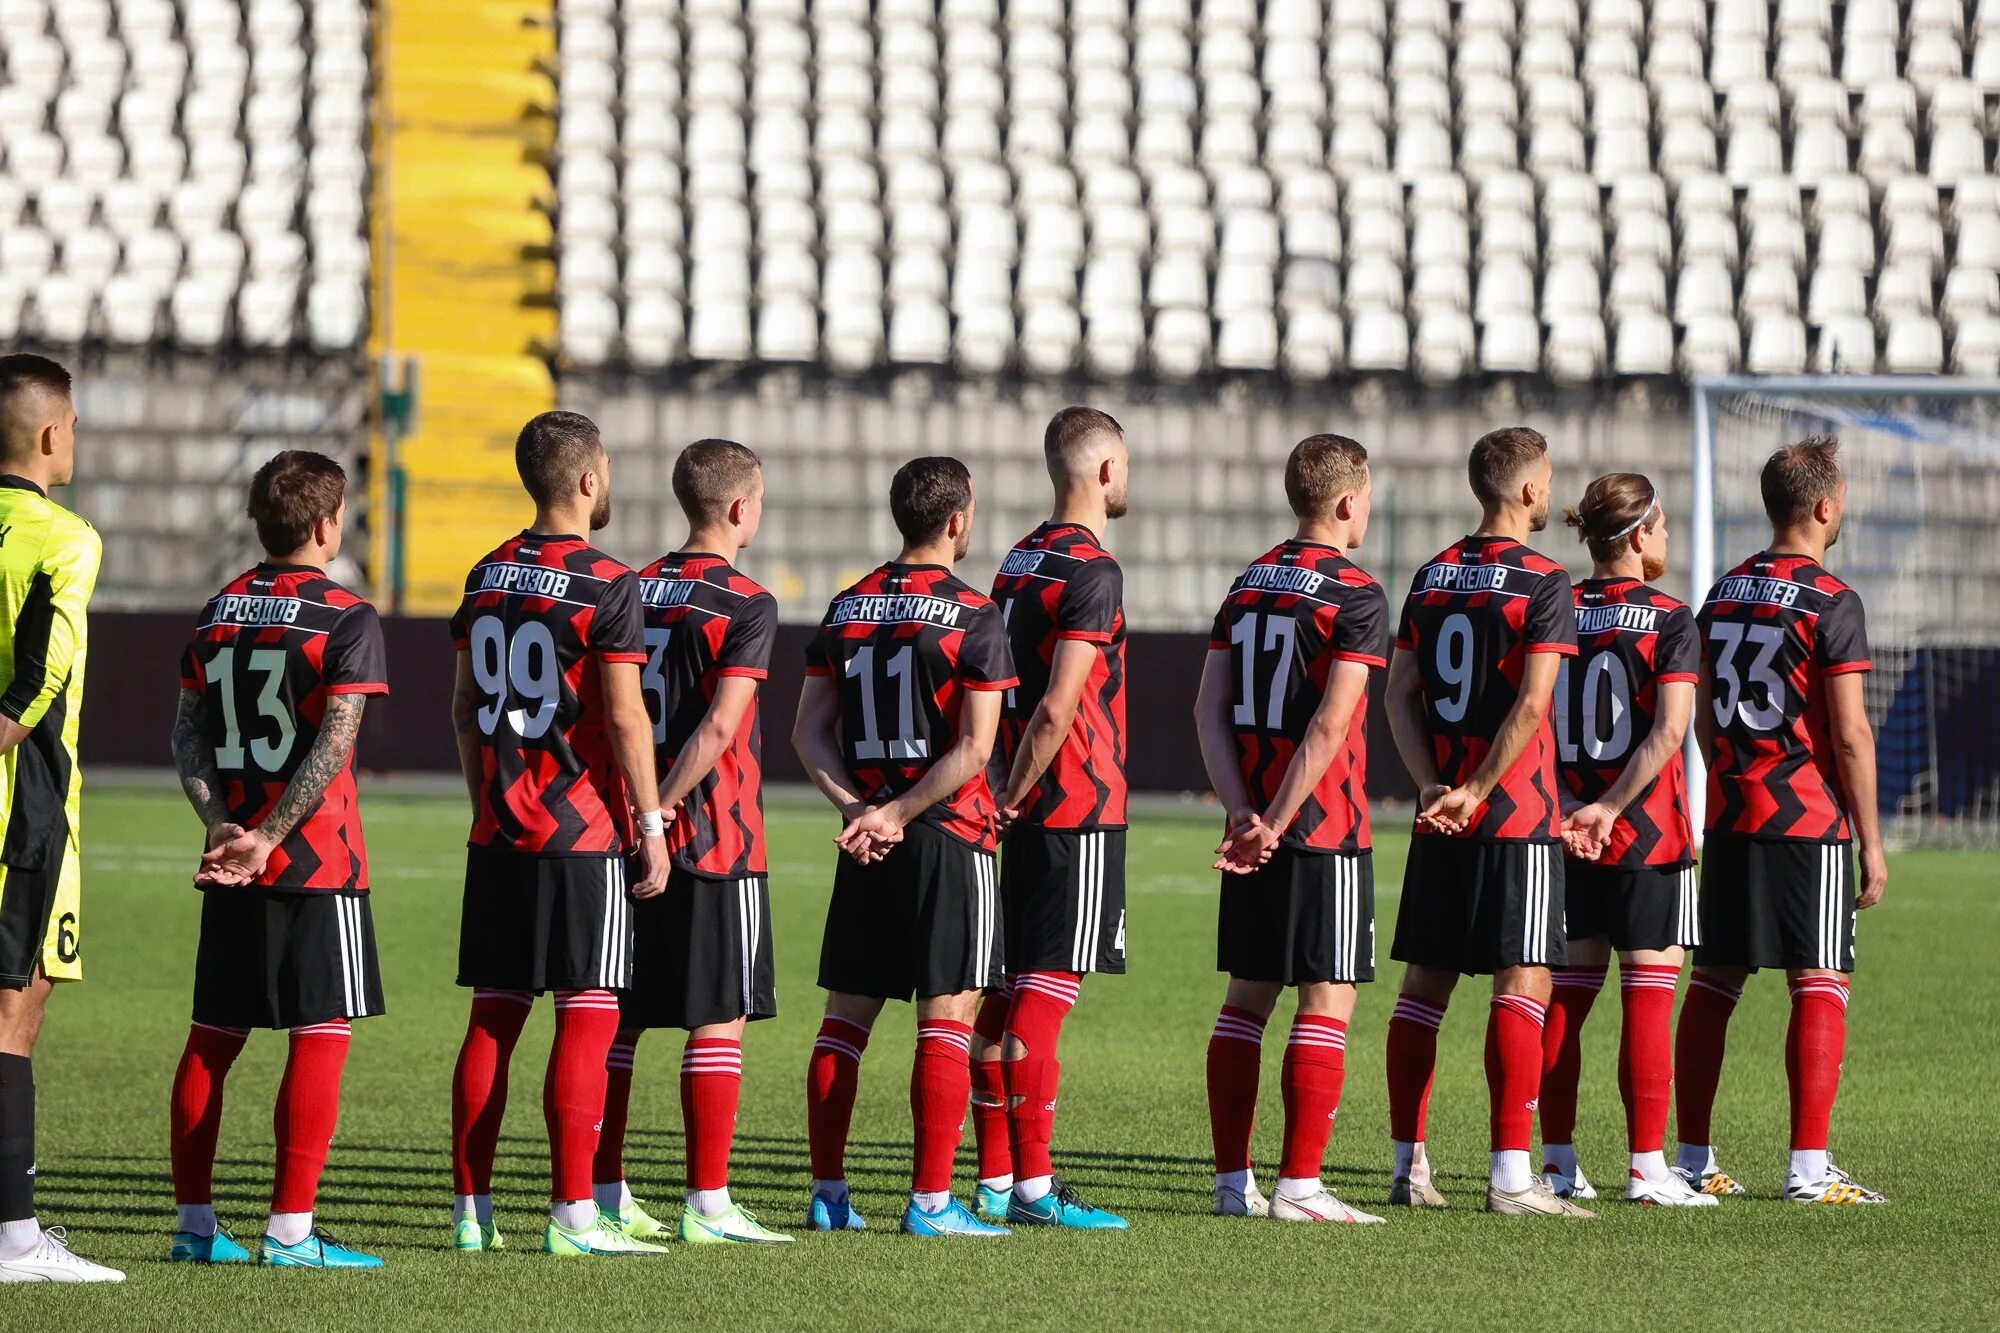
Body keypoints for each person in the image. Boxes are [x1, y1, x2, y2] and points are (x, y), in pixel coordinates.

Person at [446, 411, 671, 1257]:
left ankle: (472, 1211)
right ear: (587, 479)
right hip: (581, 830)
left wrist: (487, 799)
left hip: (501, 829)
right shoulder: (610, 581)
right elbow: (623, 715)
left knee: (494, 1016)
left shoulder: (485, 572)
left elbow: (465, 706)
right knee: (589, 1009)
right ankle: (575, 1215)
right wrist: (650, 823)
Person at [168, 450, 392, 1267]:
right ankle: (291, 1231)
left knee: (212, 1039)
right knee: (320, 1032)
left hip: (230, 860)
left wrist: (224, 824)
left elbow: (185, 734)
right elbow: (335, 744)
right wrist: (270, 835)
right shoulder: (346, 615)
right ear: (329, 525)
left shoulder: (218, 608)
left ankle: (195, 1229)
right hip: (313, 863)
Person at [796, 456, 1017, 1238]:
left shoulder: (847, 604)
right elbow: (975, 749)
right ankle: (930, 1201)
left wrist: (861, 808)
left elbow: (806, 731)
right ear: (958, 519)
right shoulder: (976, 614)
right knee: (946, 1018)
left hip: (866, 842)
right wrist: (897, 811)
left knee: (845, 1020)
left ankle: (829, 1194)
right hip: (946, 836)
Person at [1381, 426, 1592, 1217]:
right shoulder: (1544, 579)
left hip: (1442, 816)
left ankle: (1408, 1165)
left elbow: (1398, 692)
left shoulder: (1433, 574)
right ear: (1531, 490)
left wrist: (1435, 783)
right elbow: (1534, 702)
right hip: (1515, 816)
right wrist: (1477, 789)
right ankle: (1511, 1177)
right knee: (1524, 979)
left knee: (1423, 989)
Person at [1676, 436, 1888, 1205]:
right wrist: (1870, 839)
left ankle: (1692, 1157)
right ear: (1826, 506)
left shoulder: (1723, 593)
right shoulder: (1835, 601)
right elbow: (1853, 734)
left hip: (1731, 813)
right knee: (1820, 980)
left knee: (1714, 982)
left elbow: (1700, 716)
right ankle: (1808, 1167)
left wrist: (1729, 776)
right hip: (1807, 819)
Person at [590, 439, 788, 1246]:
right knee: (720, 1019)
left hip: (624, 833)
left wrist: (638, 813)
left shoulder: (630, 587)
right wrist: (663, 810)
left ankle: (604, 1189)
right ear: (740, 508)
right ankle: (708, 1203)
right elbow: (719, 727)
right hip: (713, 836)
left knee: (622, 1021)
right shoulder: (748, 602)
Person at [1195, 434, 1391, 1225]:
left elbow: (1207, 711)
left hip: (1253, 824)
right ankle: (1301, 1185)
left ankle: (1230, 1181)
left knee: (1246, 1000)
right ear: (1348, 501)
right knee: (1327, 997)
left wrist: (1242, 810)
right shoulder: (1358, 594)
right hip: (1322, 826)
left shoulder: (1247, 584)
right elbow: (1331, 724)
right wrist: (1276, 819)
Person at [971, 406, 1131, 1230]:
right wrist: (1015, 787)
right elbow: (1058, 705)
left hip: (1022, 798)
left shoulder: (1017, 558)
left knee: (1005, 988)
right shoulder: (1094, 571)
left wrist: (999, 781)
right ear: (1106, 471)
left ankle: (998, 1178)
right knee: (1044, 989)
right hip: (1071, 801)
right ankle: (1034, 1185)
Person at [1537, 474, 1714, 1208]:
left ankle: (1555, 1160)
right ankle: (1647, 1167)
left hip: (1567, 832)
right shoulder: (1670, 619)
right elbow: (1670, 730)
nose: (1668, 537)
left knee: (1566, 1001)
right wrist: (1609, 807)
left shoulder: (1557, 608)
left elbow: (1531, 716)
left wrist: (1572, 803)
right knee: (1647, 999)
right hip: (1644, 836)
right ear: (1638, 536)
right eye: (1663, 524)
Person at [0, 354, 120, 1283]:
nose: (75, 437)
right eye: (72, 423)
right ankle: (14, 1239)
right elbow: (34, 684)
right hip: (23, 815)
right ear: (50, 433)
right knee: (12, 1015)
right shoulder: (63, 538)